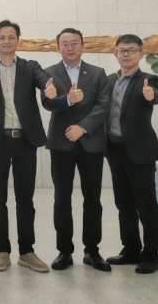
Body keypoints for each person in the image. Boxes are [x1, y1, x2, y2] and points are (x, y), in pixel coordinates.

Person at [0, 20, 57, 273]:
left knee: (25, 198)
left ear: (18, 40)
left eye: (11, 37)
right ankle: (2, 251)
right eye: (1, 37)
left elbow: (43, 80)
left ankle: (27, 251)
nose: (6, 41)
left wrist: (48, 88)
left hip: (25, 141)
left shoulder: (30, 67)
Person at [40, 28, 111, 272]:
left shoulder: (99, 73)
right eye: (65, 44)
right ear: (57, 47)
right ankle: (64, 252)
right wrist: (66, 99)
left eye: (74, 43)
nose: (70, 48)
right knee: (62, 199)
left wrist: (82, 128)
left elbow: (103, 106)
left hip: (91, 143)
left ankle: (92, 251)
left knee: (93, 199)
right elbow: (48, 102)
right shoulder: (49, 73)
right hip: (61, 144)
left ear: (82, 46)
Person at [104, 34, 158, 274]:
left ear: (141, 53)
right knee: (124, 203)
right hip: (114, 149)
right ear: (115, 54)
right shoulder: (108, 81)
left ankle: (150, 256)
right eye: (122, 50)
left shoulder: (149, 80)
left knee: (146, 205)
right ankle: (130, 249)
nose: (126, 54)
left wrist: (152, 96)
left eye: (131, 50)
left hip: (140, 151)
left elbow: (156, 96)